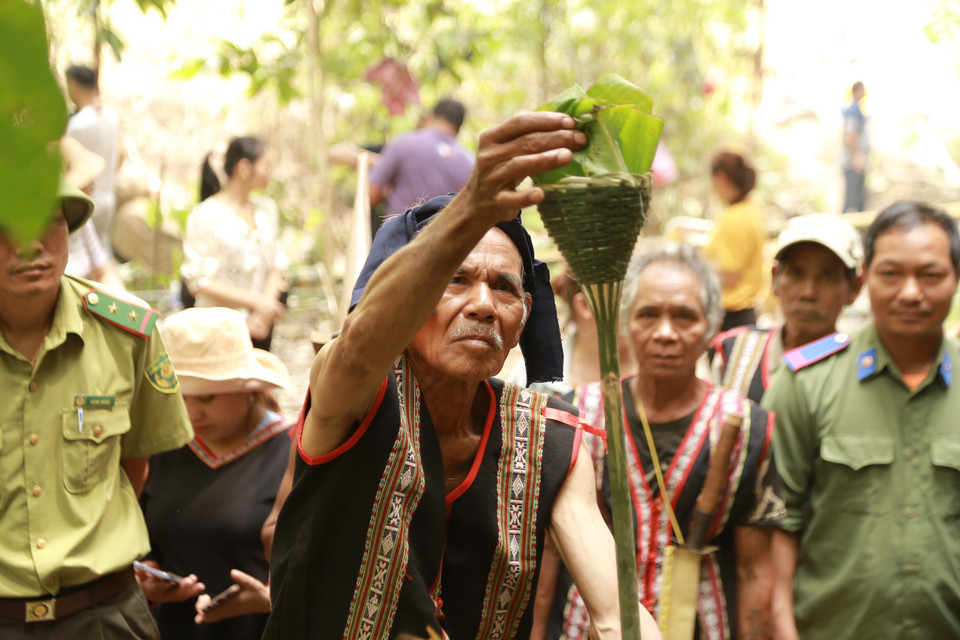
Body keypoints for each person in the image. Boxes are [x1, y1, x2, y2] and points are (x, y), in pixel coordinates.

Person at [264, 111, 661, 639]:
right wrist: (472, 203)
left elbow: (617, 616)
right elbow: (359, 349)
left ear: (524, 318)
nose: (483, 305)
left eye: (504, 288)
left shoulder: (549, 439)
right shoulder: (354, 390)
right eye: (455, 279)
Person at [549, 244, 784, 640]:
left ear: (711, 325)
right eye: (648, 314)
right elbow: (550, 558)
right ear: (626, 322)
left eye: (684, 316)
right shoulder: (579, 416)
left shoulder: (746, 427)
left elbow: (754, 569)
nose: (664, 333)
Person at [0, 179, 193, 638]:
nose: (31, 245)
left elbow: (135, 463)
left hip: (103, 616)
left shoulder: (126, 334)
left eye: (48, 222)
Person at [766, 201, 960, 639]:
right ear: (866, 278)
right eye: (891, 274)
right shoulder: (805, 383)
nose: (910, 292)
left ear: (956, 277)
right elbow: (777, 524)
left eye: (930, 275)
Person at [136, 306, 291, 639]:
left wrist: (270, 596)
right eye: (179, 397)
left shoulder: (292, 451)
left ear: (247, 389)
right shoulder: (160, 445)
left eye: (206, 398)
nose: (192, 414)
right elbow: (138, 530)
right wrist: (147, 572)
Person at [710, 214, 863, 404]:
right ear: (775, 278)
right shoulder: (736, 353)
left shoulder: (860, 371)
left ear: (854, 287)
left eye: (827, 276)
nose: (808, 293)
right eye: (796, 273)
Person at [179, 136, 289, 351]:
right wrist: (257, 302)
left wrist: (262, 313)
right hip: (219, 332)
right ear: (245, 168)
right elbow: (199, 281)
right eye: (267, 165)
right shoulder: (205, 215)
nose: (271, 173)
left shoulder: (266, 210)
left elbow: (277, 266)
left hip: (261, 329)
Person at [369, 97, 475, 220]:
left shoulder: (404, 143)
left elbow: (371, 195)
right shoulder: (470, 163)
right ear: (458, 129)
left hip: (399, 230)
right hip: (444, 231)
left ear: (430, 116)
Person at [703, 151, 766, 331]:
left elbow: (729, 275)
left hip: (732, 316)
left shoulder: (736, 217)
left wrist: (696, 266)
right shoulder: (750, 210)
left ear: (720, 178)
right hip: (740, 314)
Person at [65, 64, 120, 251]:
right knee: (101, 252)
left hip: (85, 203)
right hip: (108, 200)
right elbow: (121, 156)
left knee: (77, 255)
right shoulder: (111, 117)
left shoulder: (77, 124)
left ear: (73, 85)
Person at [60, 135, 125, 289]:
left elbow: (103, 271)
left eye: (92, 184)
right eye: (85, 186)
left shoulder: (81, 220)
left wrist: (124, 299)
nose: (90, 192)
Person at [841, 81, 869, 213]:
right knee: (852, 201)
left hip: (856, 161)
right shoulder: (853, 111)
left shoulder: (858, 110)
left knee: (859, 200)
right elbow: (849, 134)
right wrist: (857, 156)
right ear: (856, 91)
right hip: (853, 163)